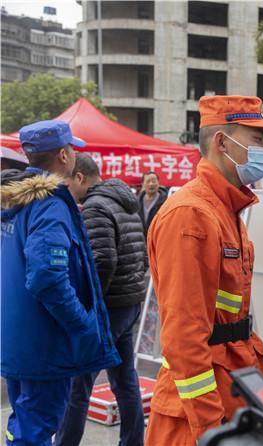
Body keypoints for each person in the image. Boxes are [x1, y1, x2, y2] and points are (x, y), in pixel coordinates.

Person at [144, 95, 263, 445]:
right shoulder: (192, 215)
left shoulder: (224, 209)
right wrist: (211, 430)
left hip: (232, 392)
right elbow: (184, 339)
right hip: (196, 417)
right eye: (257, 139)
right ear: (223, 142)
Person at [0, 120, 120, 445]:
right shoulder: (50, 206)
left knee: (24, 423)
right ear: (65, 156)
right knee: (35, 430)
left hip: (18, 339)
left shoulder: (14, 203)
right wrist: (82, 324)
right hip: (45, 346)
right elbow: (46, 276)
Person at [56, 153, 147, 446]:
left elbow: (103, 261)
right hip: (130, 300)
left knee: (78, 383)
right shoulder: (127, 202)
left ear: (79, 177)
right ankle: (132, 441)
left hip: (110, 306)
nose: (68, 192)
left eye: (67, 183)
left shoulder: (95, 207)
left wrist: (89, 305)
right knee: (124, 380)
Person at [138, 171, 168, 236]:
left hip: (158, 236)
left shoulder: (166, 201)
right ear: (142, 184)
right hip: (141, 239)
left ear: (158, 183)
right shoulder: (137, 201)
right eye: (148, 181)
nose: (151, 184)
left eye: (154, 181)